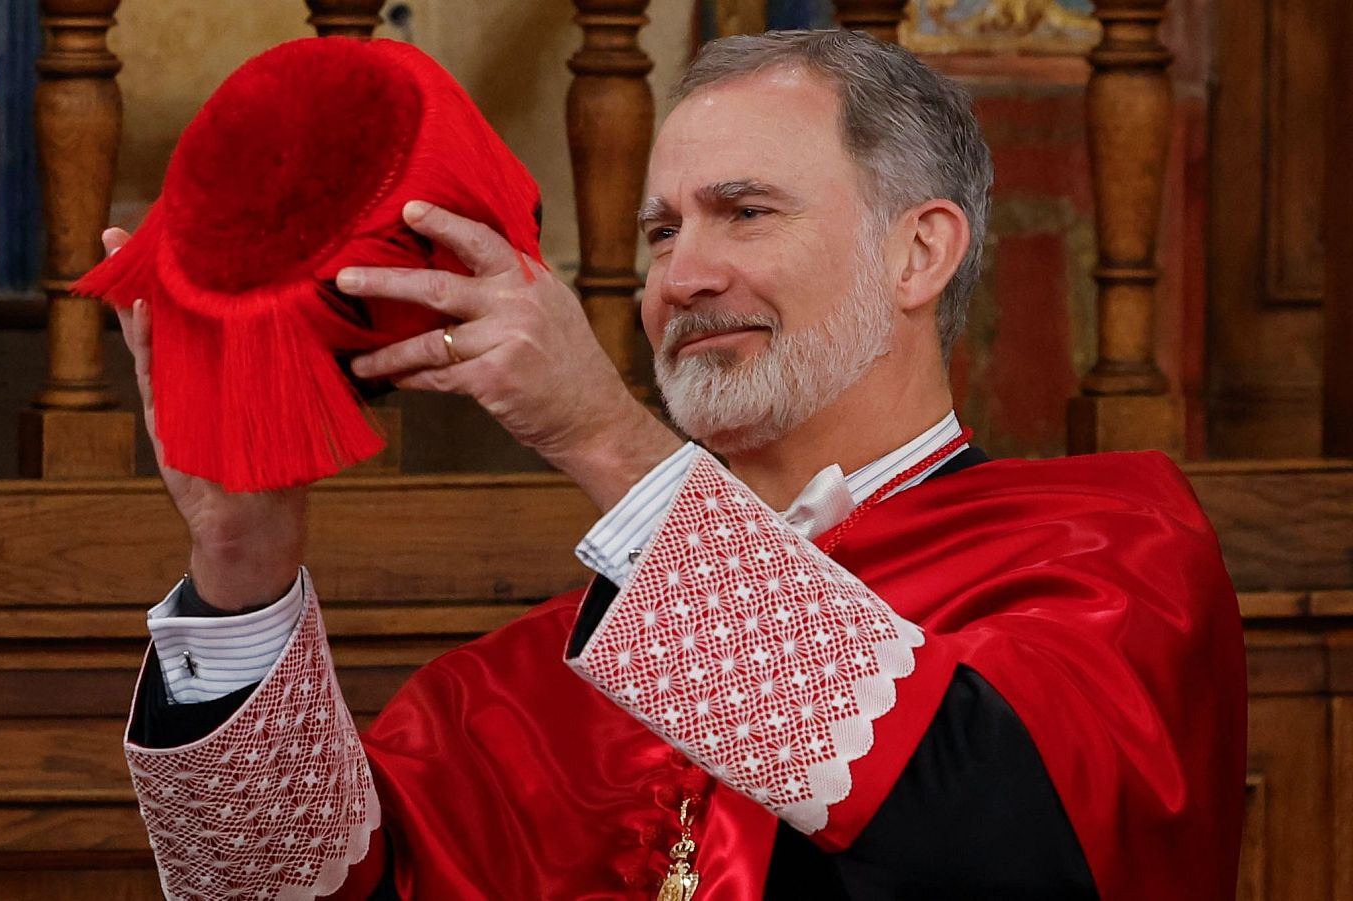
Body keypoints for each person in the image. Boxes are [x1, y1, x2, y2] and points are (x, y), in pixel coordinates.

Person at [110, 29, 1245, 901]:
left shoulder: (1112, 547)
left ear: (919, 251)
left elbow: (995, 850)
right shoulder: (521, 683)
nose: (682, 277)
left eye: (741, 213)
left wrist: (602, 436)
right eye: (660, 233)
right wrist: (240, 559)